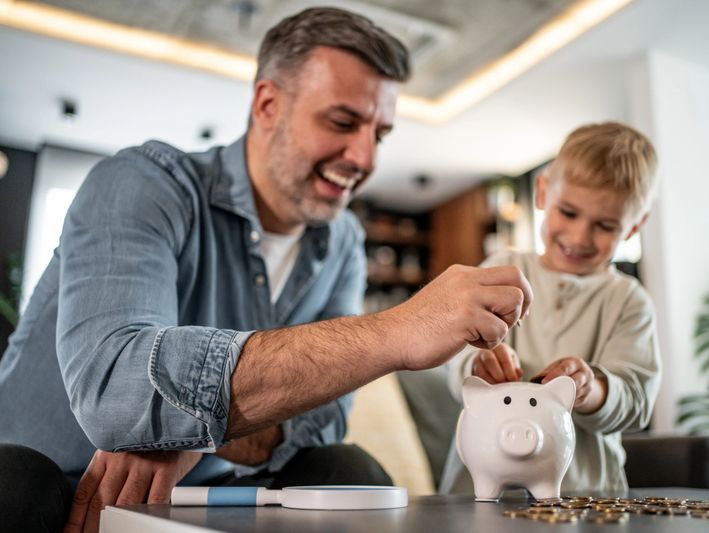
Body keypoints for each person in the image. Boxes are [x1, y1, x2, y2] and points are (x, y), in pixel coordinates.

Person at [0, 7, 532, 532]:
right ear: (268, 104)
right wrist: (400, 328)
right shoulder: (141, 182)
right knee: (16, 482)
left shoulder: (343, 240)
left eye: (380, 133)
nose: (365, 157)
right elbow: (116, 394)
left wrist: (188, 438)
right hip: (52, 485)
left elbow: (324, 420)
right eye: (343, 122)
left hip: (196, 497)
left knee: (346, 471)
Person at [444, 122, 662, 494]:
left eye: (605, 225)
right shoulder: (500, 269)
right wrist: (477, 364)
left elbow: (637, 401)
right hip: (478, 491)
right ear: (543, 192)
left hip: (586, 499)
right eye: (569, 212)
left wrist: (592, 390)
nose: (579, 237)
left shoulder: (629, 301)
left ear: (634, 226)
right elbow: (455, 356)